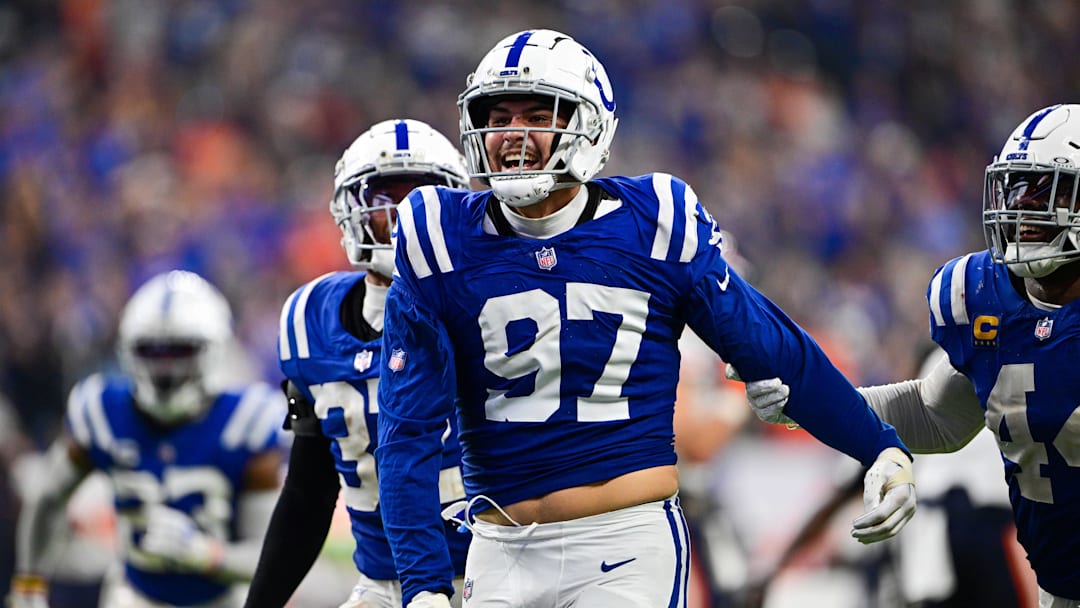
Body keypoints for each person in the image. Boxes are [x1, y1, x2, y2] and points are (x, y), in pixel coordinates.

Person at [374, 28, 917, 608]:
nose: (512, 134)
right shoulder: (438, 238)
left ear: (587, 125)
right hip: (500, 549)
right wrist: (425, 586)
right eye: (498, 115)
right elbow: (406, 433)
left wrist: (879, 447)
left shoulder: (655, 223)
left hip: (624, 545)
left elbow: (772, 348)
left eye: (537, 114)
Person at [736, 104, 1080, 607]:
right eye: (1018, 188)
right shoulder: (986, 300)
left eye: (1048, 191)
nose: (1023, 210)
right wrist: (808, 399)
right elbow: (934, 415)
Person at [243, 119, 473, 608]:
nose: (402, 218)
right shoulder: (310, 320)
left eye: (421, 200)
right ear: (351, 209)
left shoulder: (486, 304)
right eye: (384, 198)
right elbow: (309, 491)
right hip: (381, 584)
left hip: (490, 577)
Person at [6, 270, 287, 608]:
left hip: (224, 600)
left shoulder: (247, 422)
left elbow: (273, 557)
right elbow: (48, 499)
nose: (165, 368)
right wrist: (29, 584)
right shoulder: (101, 410)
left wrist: (205, 554)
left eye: (180, 352)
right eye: (152, 351)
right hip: (134, 596)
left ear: (214, 350)